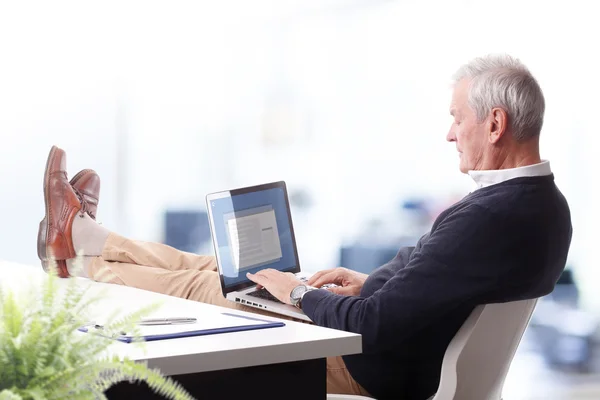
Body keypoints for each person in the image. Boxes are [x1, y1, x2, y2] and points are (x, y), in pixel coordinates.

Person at [37, 54, 572, 400]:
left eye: (457, 118)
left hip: (362, 361)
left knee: (211, 285)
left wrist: (297, 294)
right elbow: (441, 286)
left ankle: (80, 264)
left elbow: (377, 325)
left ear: (495, 123)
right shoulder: (543, 207)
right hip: (389, 349)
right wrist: (368, 283)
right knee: (226, 269)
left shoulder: (491, 216)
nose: (450, 133)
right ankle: (87, 243)